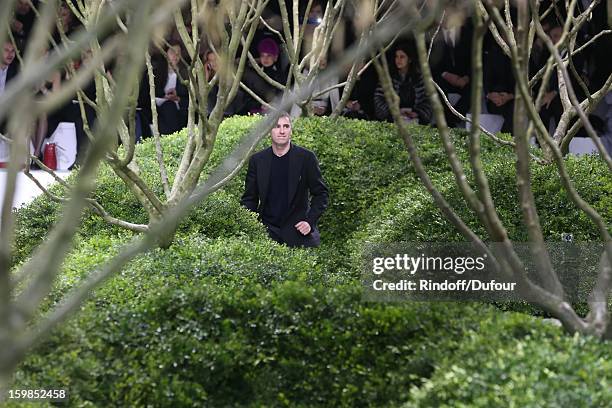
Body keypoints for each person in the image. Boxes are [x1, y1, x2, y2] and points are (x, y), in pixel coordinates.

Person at [241, 113, 328, 247]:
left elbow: (321, 194)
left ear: (291, 130)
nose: (282, 131)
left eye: (286, 126)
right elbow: (249, 198)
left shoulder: (306, 158)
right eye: (277, 127)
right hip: (266, 231)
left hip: (298, 230)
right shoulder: (257, 160)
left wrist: (309, 222)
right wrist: (250, 227)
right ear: (269, 131)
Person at [374, 43, 432, 124]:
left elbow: (427, 101)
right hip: (392, 120)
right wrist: (393, 111)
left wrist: (417, 113)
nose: (398, 60)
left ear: (409, 59)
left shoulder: (419, 78)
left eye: (402, 57)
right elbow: (379, 99)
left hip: (414, 120)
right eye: (396, 56)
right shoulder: (388, 77)